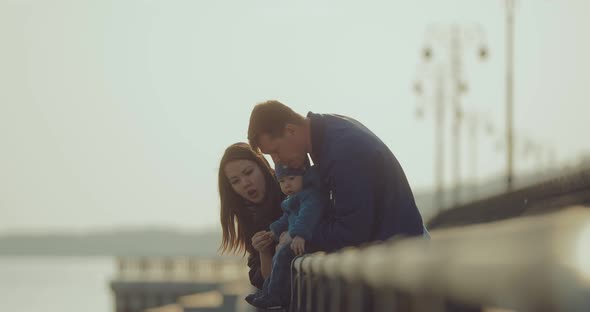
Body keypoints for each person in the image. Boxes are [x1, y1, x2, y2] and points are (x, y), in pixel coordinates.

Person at [247, 100, 428, 253]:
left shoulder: (341, 151)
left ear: (290, 130)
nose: (278, 162)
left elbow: (351, 233)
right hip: (400, 248)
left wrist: (296, 235)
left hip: (406, 258)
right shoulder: (329, 131)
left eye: (276, 152)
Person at [246, 162, 327, 309]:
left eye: (291, 178)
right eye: (282, 181)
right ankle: (267, 293)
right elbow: (285, 219)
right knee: (277, 258)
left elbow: (307, 216)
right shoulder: (291, 200)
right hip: (296, 240)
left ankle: (277, 296)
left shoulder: (310, 196)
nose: (287, 185)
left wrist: (299, 235)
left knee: (282, 257)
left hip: (306, 240)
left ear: (304, 176)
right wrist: (273, 232)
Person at [218, 142, 286, 290]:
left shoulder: (290, 191)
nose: (245, 183)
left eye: (248, 172)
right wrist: (264, 252)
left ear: (262, 167)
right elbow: (266, 284)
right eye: (235, 181)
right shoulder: (250, 217)